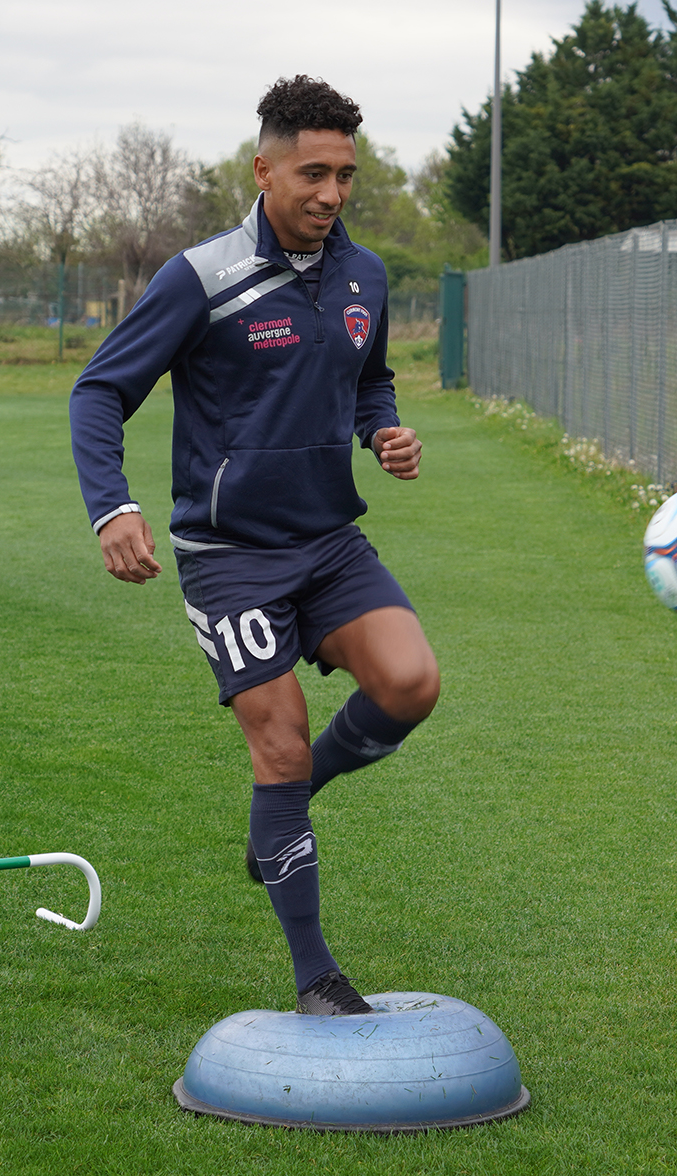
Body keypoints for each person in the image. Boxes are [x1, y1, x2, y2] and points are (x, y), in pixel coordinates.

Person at [69, 76, 439, 1017]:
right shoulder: (202, 277)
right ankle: (316, 976)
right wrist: (112, 508)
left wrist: (383, 432)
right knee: (275, 750)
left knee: (410, 683)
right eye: (313, 173)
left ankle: (285, 811)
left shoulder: (367, 276)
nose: (331, 193)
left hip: (330, 541)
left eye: (345, 175)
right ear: (264, 168)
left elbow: (371, 380)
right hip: (228, 555)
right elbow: (100, 391)